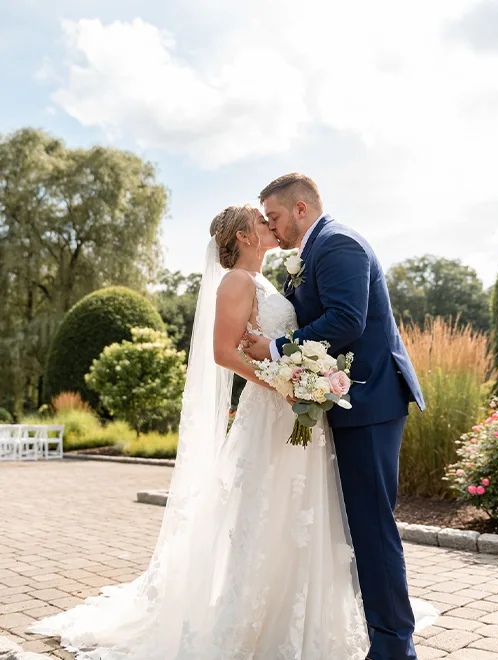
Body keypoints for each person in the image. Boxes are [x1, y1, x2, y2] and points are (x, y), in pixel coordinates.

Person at [29, 201, 436, 659]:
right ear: (243, 236)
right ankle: (255, 620)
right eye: (262, 221)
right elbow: (226, 352)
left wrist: (295, 377)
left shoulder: (274, 281)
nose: (270, 225)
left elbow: (303, 334)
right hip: (273, 410)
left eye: (272, 217)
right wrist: (282, 383)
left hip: (299, 413)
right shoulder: (237, 281)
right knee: (266, 514)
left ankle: (307, 613)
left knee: (303, 513)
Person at [244, 173, 428, 660]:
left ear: (301, 209)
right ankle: (379, 635)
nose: (272, 227)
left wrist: (279, 347)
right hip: (347, 404)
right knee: (355, 527)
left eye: (276, 217)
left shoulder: (338, 243)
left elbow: (348, 319)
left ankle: (393, 648)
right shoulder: (309, 255)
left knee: (371, 527)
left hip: (369, 402)